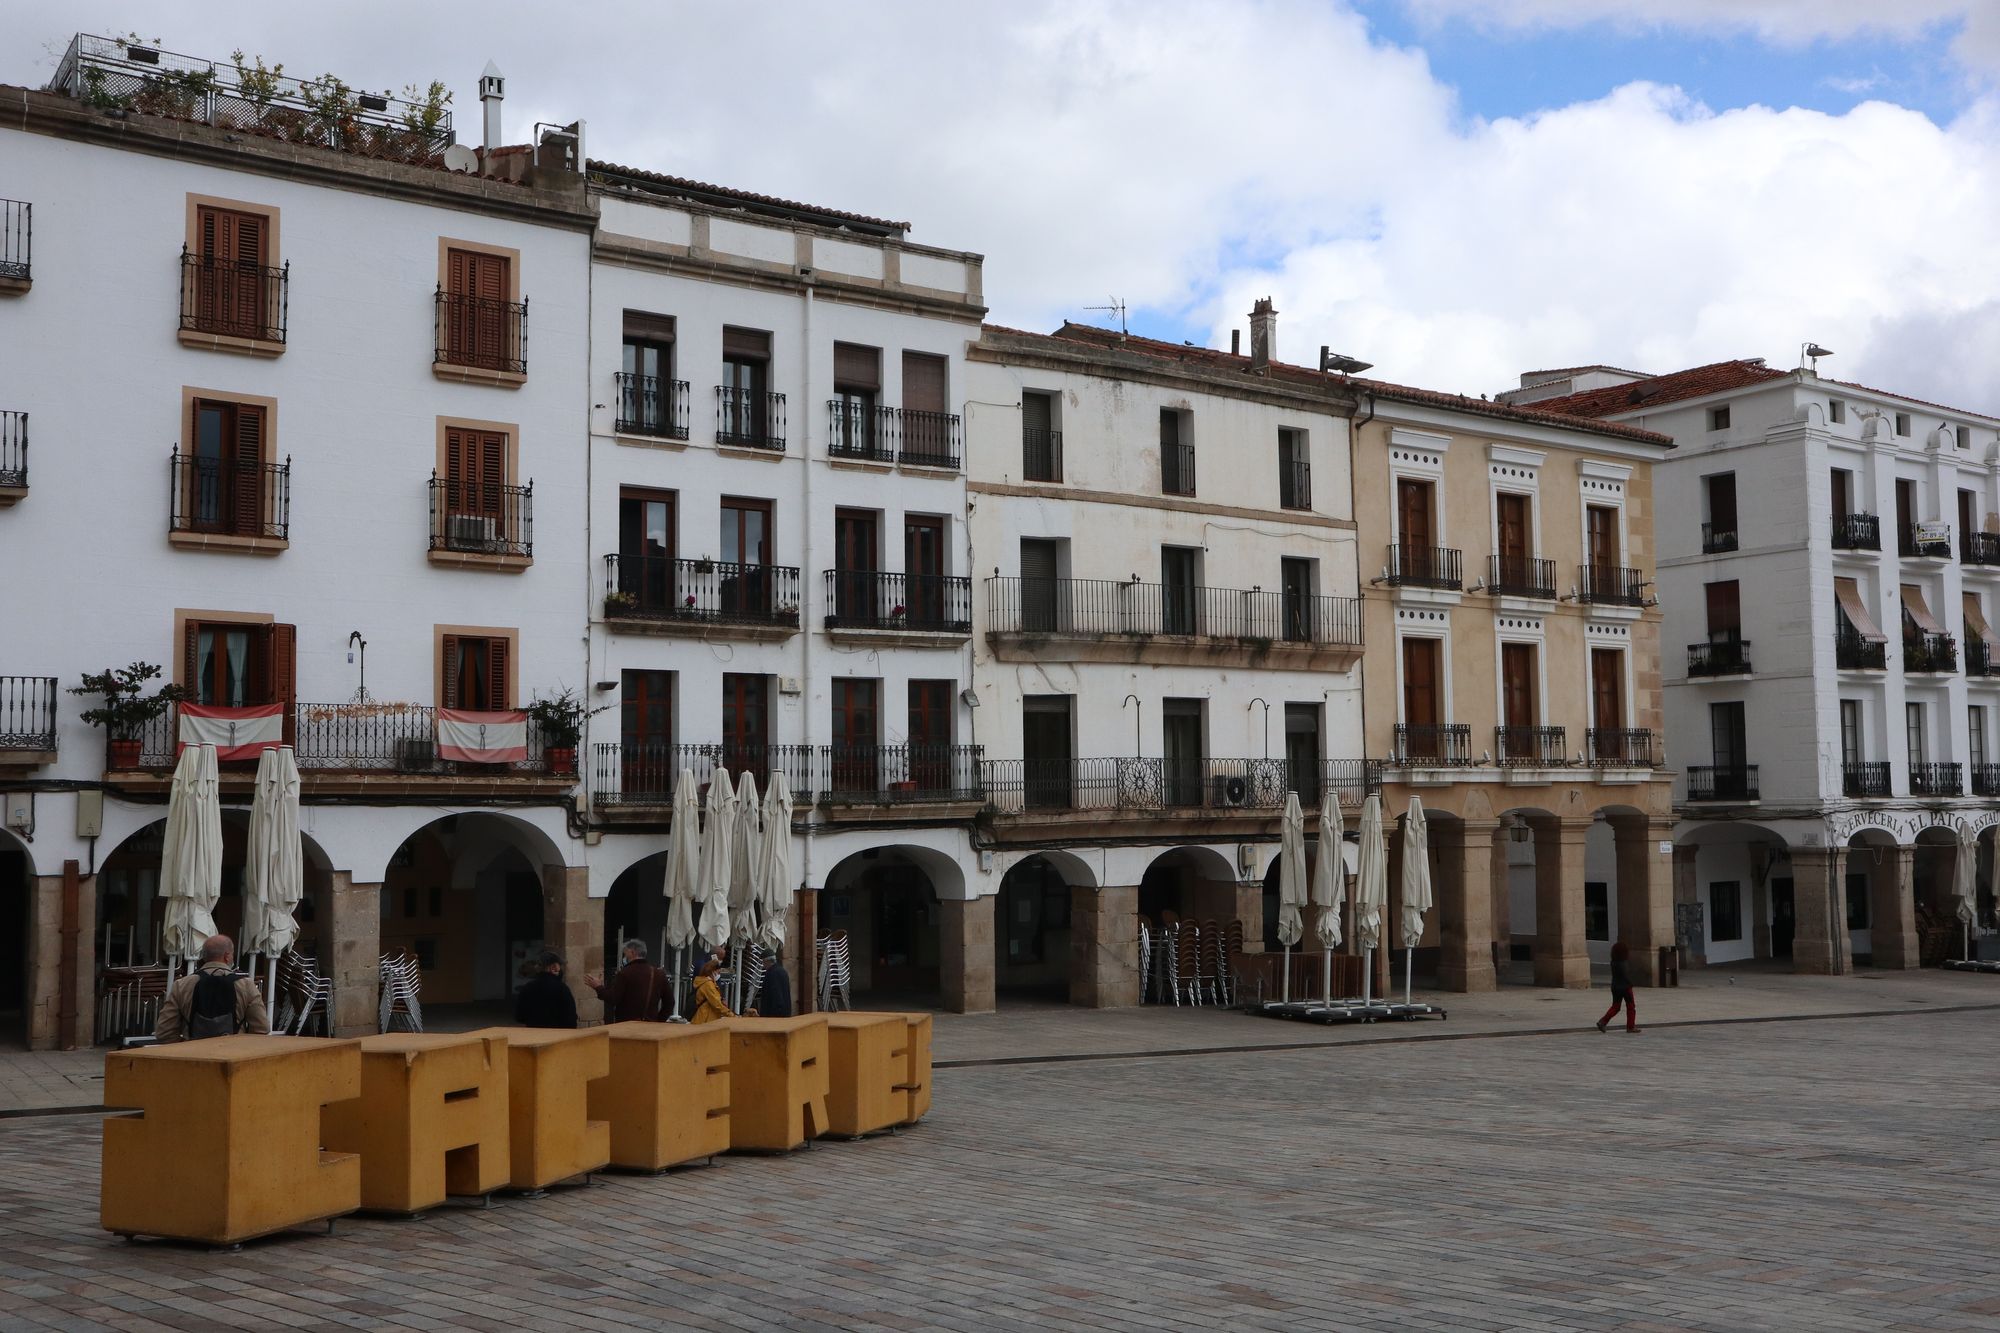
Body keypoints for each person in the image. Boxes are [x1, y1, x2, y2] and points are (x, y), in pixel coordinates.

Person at [154, 934, 271, 1042]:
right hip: (233, 1055)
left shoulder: (181, 985)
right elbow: (261, 1029)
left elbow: (164, 1032)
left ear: (204, 957)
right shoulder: (246, 985)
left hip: (193, 1057)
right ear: (227, 956)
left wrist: (185, 1046)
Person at [586, 940, 663, 1023]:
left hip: (627, 1026)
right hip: (651, 1026)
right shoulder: (658, 974)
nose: (625, 957)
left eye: (625, 954)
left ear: (632, 952)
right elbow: (670, 1001)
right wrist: (659, 1021)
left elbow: (613, 998)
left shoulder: (624, 973)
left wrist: (598, 987)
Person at [515, 950, 579, 1029]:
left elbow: (520, 1017)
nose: (561, 969)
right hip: (558, 1036)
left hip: (533, 1035)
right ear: (553, 968)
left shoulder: (527, 988)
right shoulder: (562, 989)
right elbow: (571, 1019)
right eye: (560, 965)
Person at [1596, 940, 1641, 1034]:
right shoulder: (1623, 963)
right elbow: (1626, 975)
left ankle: (1603, 1021)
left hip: (1615, 986)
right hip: (1625, 987)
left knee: (1616, 1006)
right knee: (1631, 1006)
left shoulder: (1613, 962)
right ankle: (1630, 1026)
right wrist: (1631, 983)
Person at [689, 957, 736, 1025]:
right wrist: (730, 1014)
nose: (719, 974)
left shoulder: (705, 982)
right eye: (718, 972)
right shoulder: (708, 985)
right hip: (706, 1020)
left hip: (703, 1018)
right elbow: (716, 1003)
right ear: (712, 971)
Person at [758, 953, 794, 1019]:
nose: (763, 965)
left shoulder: (772, 973)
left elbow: (776, 995)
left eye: (763, 962)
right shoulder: (783, 971)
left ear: (767, 961)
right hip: (784, 1013)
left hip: (774, 1016)